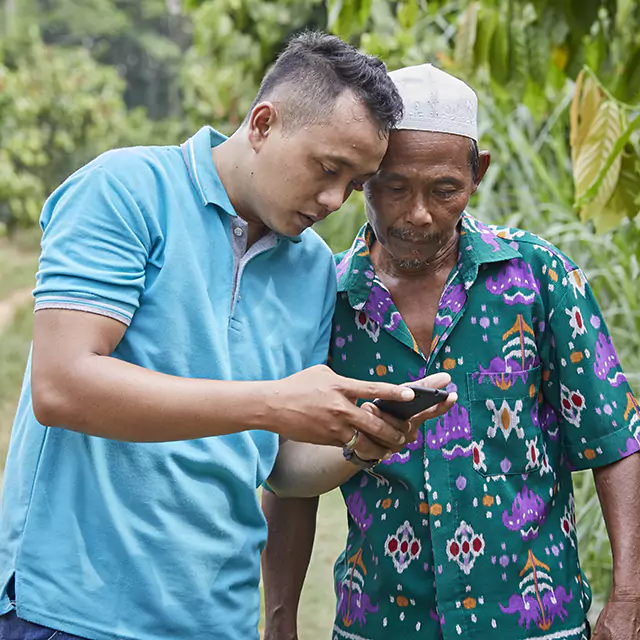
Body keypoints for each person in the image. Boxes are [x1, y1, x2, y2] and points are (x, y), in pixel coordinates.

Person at [0, 31, 449, 640]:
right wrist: (272, 403)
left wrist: (362, 442)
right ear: (263, 123)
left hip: (217, 619)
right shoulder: (126, 191)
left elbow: (282, 467)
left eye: (354, 182)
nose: (333, 199)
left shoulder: (313, 266)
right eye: (327, 168)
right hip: (70, 612)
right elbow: (63, 385)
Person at [262, 63, 640, 640]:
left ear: (477, 172)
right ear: (364, 178)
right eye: (394, 187)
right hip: (380, 624)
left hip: (537, 626)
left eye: (445, 190)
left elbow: (617, 439)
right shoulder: (326, 301)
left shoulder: (539, 278)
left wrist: (629, 597)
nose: (419, 213)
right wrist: (281, 620)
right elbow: (289, 472)